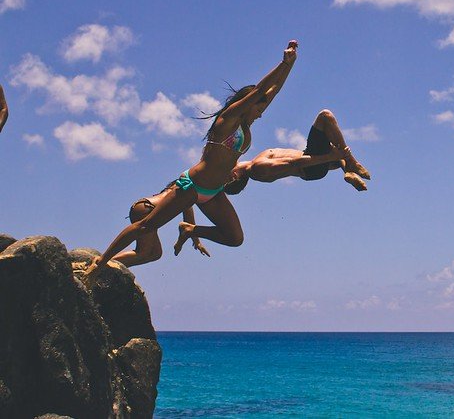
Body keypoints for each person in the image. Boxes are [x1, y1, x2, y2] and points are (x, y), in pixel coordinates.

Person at [85, 40, 299, 283]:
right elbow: (261, 91)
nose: (261, 112)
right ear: (247, 104)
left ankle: (189, 230)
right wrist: (282, 63)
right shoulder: (226, 121)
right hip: (192, 187)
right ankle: (100, 263)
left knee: (234, 237)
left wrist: (291, 65)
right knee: (145, 227)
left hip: (214, 192)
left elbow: (272, 92)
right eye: (258, 108)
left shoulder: (246, 125)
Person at [222, 109, 371, 196]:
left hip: (312, 164)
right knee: (325, 117)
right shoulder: (257, 168)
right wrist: (329, 157)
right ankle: (351, 162)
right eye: (223, 173)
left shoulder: (255, 166)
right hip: (309, 165)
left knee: (332, 143)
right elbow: (294, 163)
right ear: (234, 176)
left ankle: (348, 171)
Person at [114, 181, 211, 267]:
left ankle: (118, 269)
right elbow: (189, 222)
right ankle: (106, 263)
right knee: (143, 252)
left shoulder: (177, 188)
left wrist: (196, 242)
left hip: (142, 206)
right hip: (147, 209)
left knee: (155, 253)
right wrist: (197, 242)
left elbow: (188, 224)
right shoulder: (187, 190)